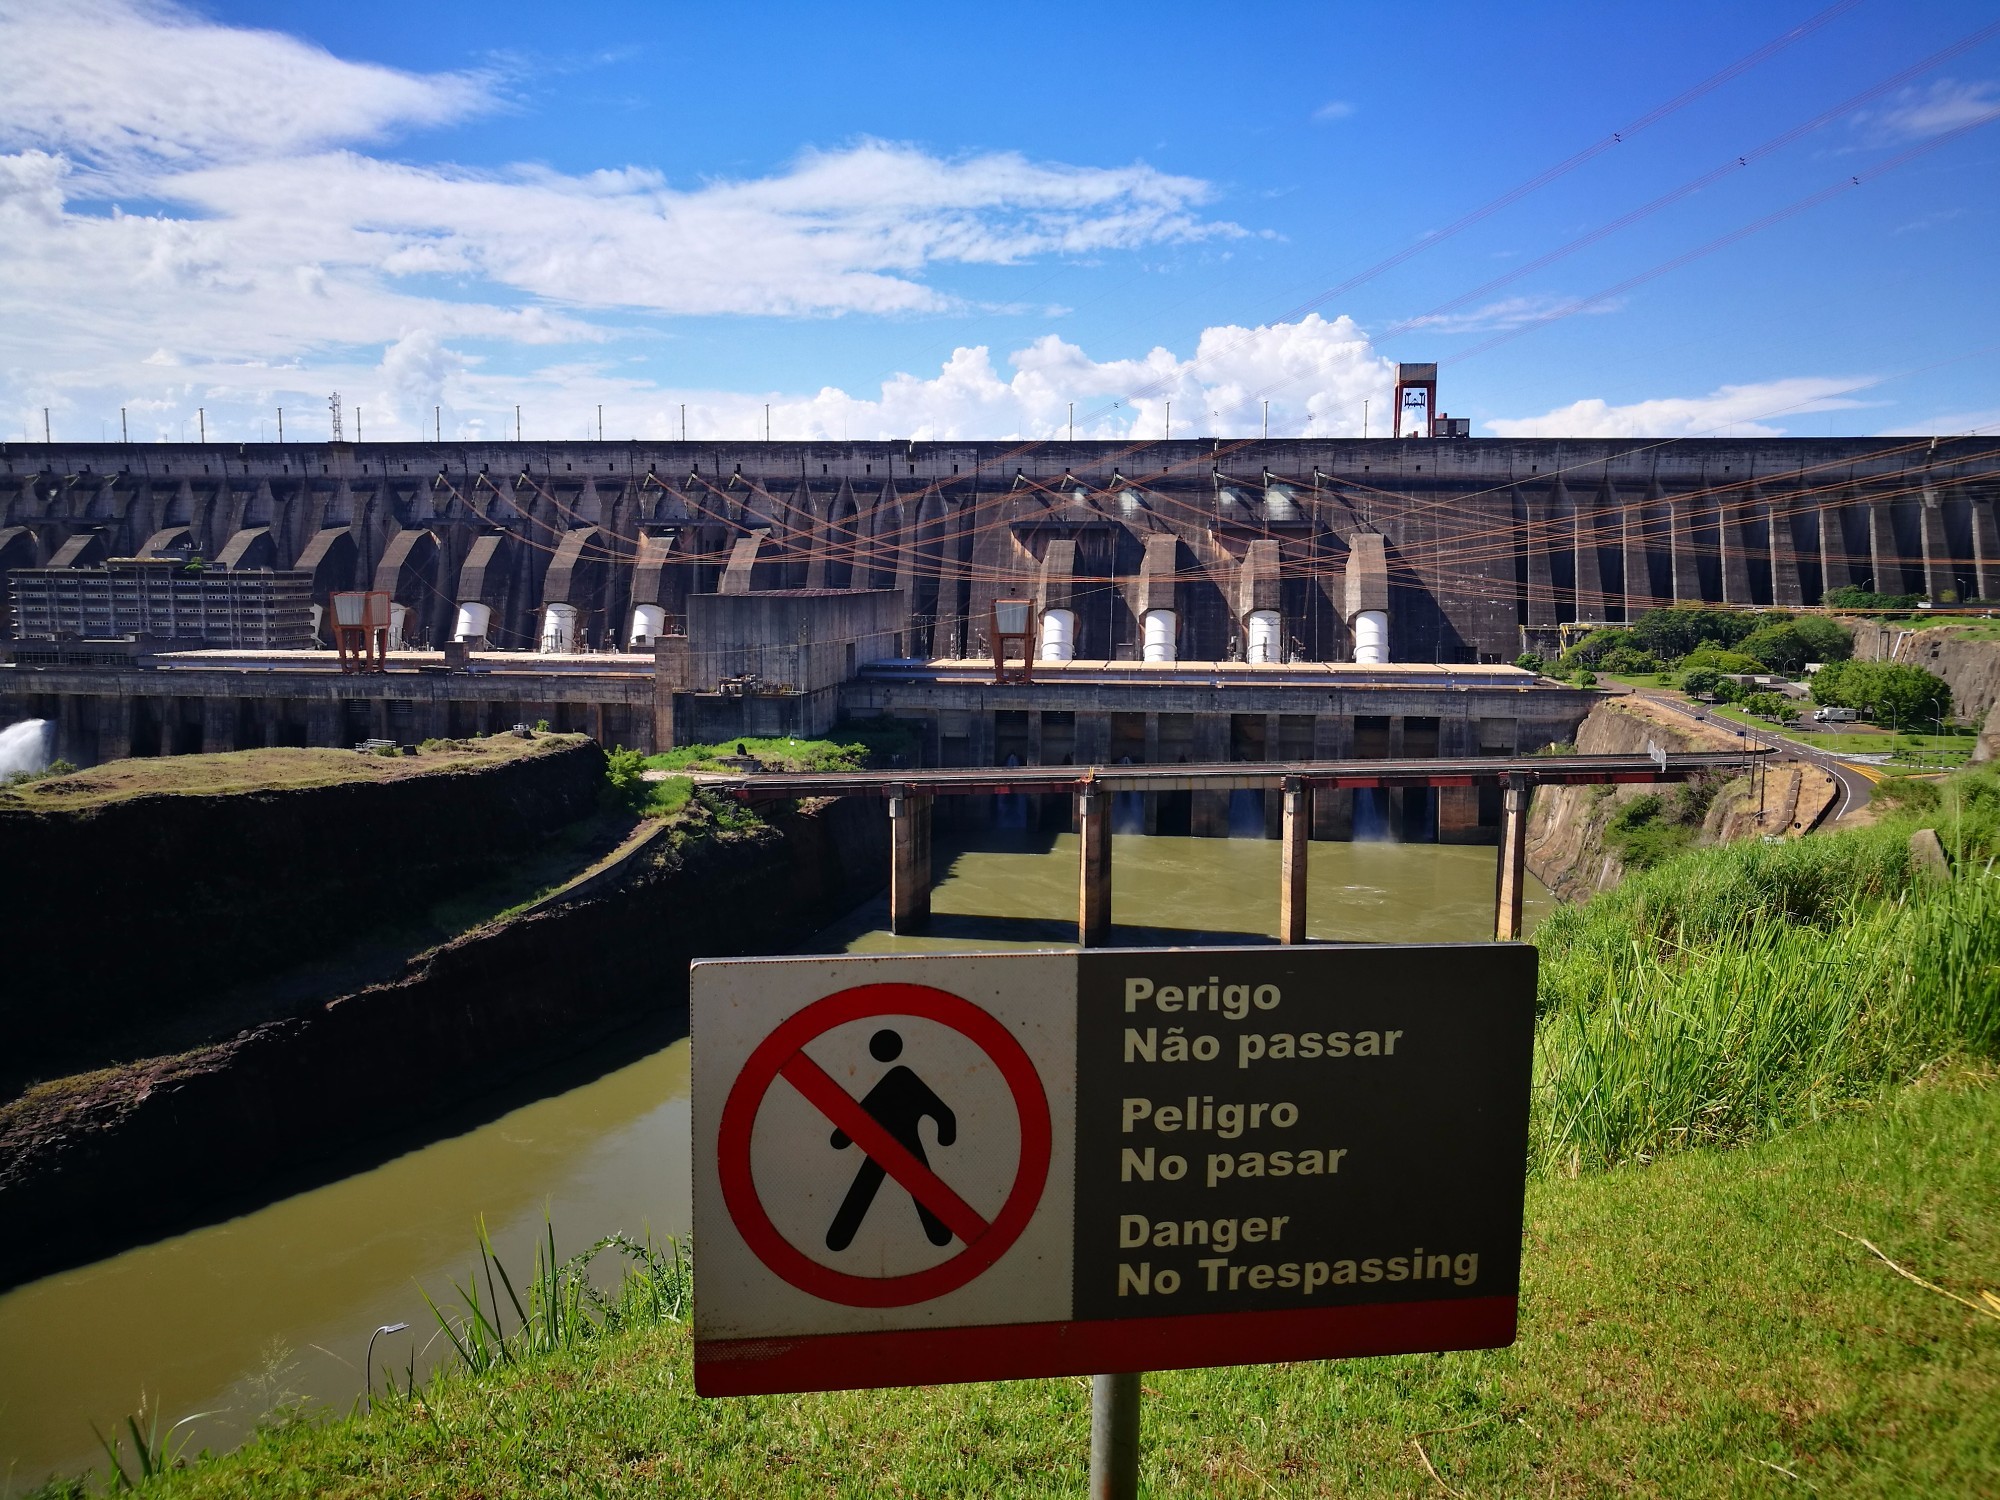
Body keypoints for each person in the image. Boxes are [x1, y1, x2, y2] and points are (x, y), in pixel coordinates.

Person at [826, 1029, 958, 1251]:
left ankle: (839, 1238)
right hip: (892, 1145)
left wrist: (841, 1138)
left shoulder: (899, 1080)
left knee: (867, 1186)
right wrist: (945, 1132)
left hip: (890, 1145)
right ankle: (941, 1234)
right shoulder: (901, 1080)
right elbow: (942, 1113)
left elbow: (860, 1115)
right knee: (910, 1186)